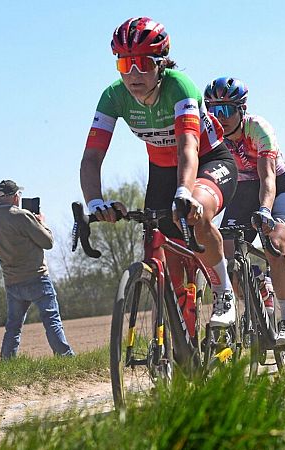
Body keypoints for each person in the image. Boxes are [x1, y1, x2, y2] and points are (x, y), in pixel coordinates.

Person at [80, 17, 238, 327]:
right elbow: (91, 157)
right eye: (125, 65)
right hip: (162, 170)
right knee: (162, 243)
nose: (134, 74)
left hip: (207, 161)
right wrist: (95, 202)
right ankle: (183, 332)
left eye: (141, 63)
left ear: (160, 63)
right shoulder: (113, 96)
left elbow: (188, 148)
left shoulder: (179, 86)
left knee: (195, 211)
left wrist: (184, 193)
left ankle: (224, 293)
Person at [203, 76, 285, 345]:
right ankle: (256, 285)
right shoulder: (210, 133)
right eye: (213, 111)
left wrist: (266, 211)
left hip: (277, 189)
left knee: (275, 244)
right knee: (225, 252)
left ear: (241, 110)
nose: (220, 117)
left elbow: (268, 177)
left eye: (227, 110)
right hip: (241, 191)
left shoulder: (258, 128)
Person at [0, 180, 75, 360]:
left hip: (12, 283)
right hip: (37, 278)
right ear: (14, 196)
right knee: (52, 321)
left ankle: (7, 363)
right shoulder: (22, 216)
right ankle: (66, 358)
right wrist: (42, 223)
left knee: (13, 327)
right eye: (18, 194)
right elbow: (48, 242)